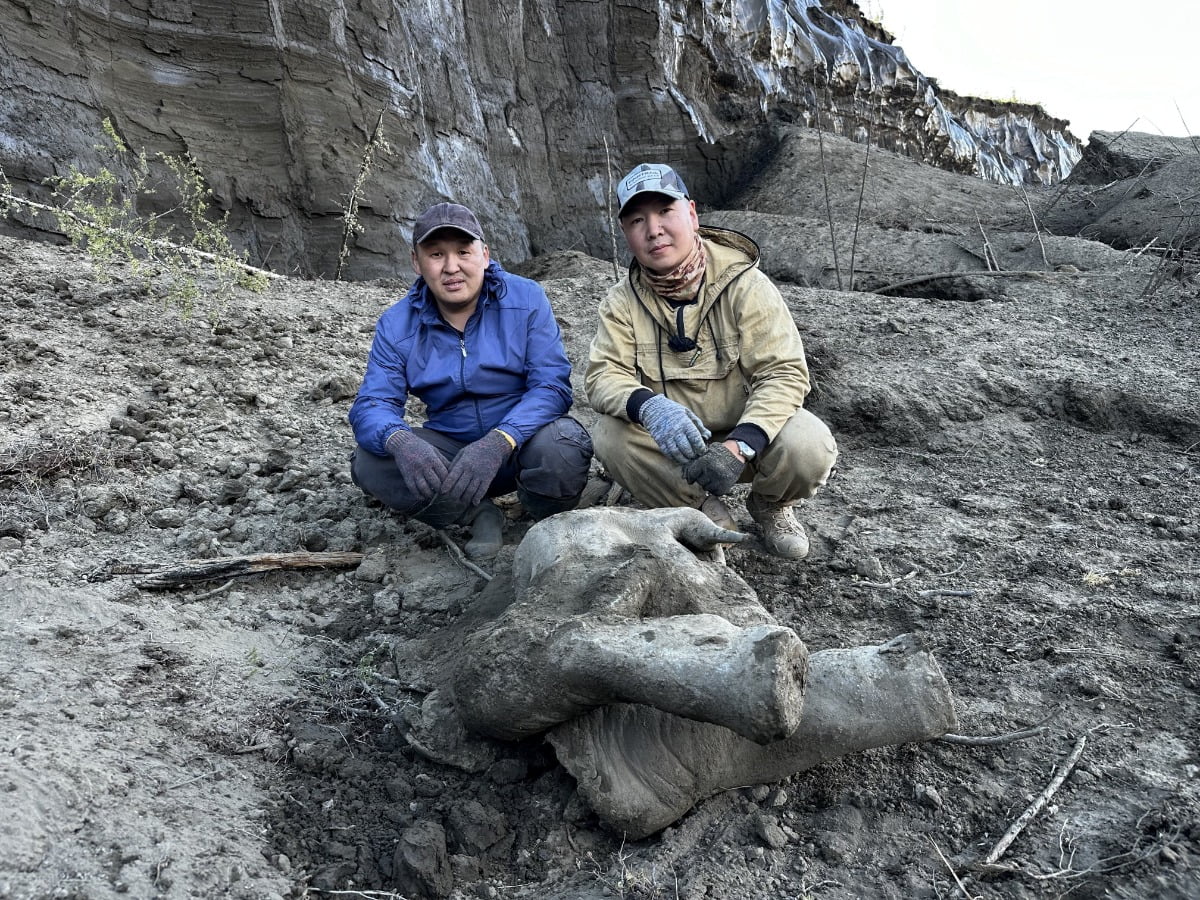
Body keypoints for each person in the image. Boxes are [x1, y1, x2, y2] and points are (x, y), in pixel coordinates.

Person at [584, 164, 837, 559]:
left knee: (809, 443)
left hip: (749, 438)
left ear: (692, 214)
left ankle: (770, 505)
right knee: (609, 435)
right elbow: (603, 376)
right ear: (625, 233)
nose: (653, 230)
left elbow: (784, 374)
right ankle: (696, 507)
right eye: (637, 220)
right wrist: (649, 408)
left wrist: (740, 445)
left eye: (665, 212)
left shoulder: (745, 284)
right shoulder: (620, 302)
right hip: (673, 448)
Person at [349, 202, 593, 559]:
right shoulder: (396, 323)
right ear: (416, 262)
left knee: (563, 445)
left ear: (484, 254)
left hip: (521, 444)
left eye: (463, 252)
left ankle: (541, 517)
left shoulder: (526, 298)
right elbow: (372, 404)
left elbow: (552, 386)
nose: (451, 267)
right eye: (436, 254)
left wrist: (500, 440)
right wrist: (401, 441)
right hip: (451, 456)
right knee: (370, 461)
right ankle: (475, 513)